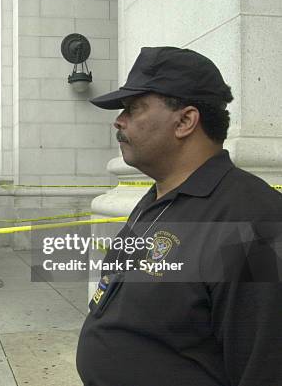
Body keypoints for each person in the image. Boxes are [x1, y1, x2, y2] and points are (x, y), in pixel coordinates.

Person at [76, 46, 282, 386]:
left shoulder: (249, 223)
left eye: (133, 108)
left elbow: (264, 367)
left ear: (185, 121)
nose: (119, 119)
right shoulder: (159, 197)